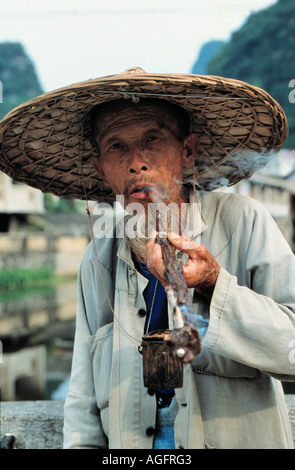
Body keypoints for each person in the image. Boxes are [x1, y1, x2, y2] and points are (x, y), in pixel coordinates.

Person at [0, 67, 295, 449]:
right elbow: (83, 401)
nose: (136, 161)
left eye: (152, 140)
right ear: (101, 169)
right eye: (116, 147)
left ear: (187, 151)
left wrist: (212, 283)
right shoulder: (99, 256)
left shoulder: (243, 223)